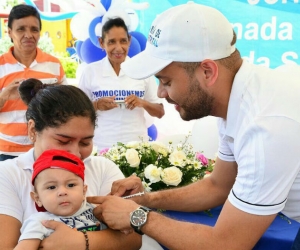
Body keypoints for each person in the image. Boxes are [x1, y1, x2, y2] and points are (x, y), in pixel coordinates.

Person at [87, 2, 300, 250]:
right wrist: (142, 199)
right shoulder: (240, 96)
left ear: (207, 71)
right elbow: (217, 186)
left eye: (166, 81)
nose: (160, 92)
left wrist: (137, 217)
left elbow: (228, 245)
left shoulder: (265, 124)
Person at [0, 78, 141, 249]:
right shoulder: (9, 174)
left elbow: (133, 239)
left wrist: (81, 241)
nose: (75, 153)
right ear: (32, 130)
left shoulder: (102, 168)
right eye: (63, 141)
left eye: (85, 143)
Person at [78, 17, 164, 150]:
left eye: (123, 41)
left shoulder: (141, 71)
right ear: (101, 43)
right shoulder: (91, 72)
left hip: (137, 149)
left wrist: (142, 103)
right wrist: (96, 105)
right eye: (111, 42)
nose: (118, 48)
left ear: (129, 41)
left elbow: (160, 112)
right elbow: (76, 111)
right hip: (101, 147)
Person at [0, 4, 67, 161]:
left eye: (34, 29)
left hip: (46, 149)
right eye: (21, 29)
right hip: (7, 151)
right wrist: (3, 97)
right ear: (9, 32)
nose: (28, 35)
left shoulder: (54, 65)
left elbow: (66, 108)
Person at [14, 149, 107, 250]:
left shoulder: (96, 211)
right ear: (37, 198)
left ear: (84, 191)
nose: (62, 192)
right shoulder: (39, 223)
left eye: (71, 185)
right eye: (52, 187)